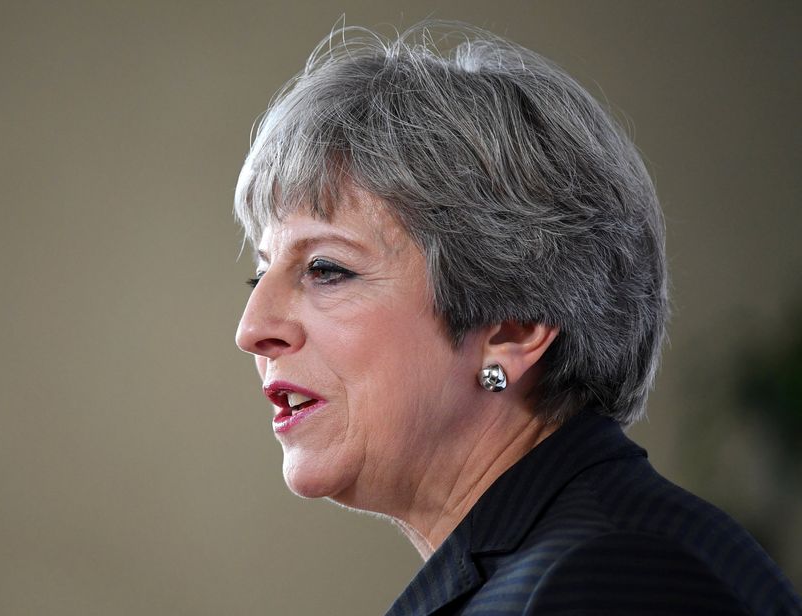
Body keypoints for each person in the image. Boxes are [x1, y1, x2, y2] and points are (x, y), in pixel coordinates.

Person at [233, 23, 800, 615]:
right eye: (261, 272)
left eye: (326, 268)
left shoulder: (611, 579)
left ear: (513, 329)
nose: (252, 328)